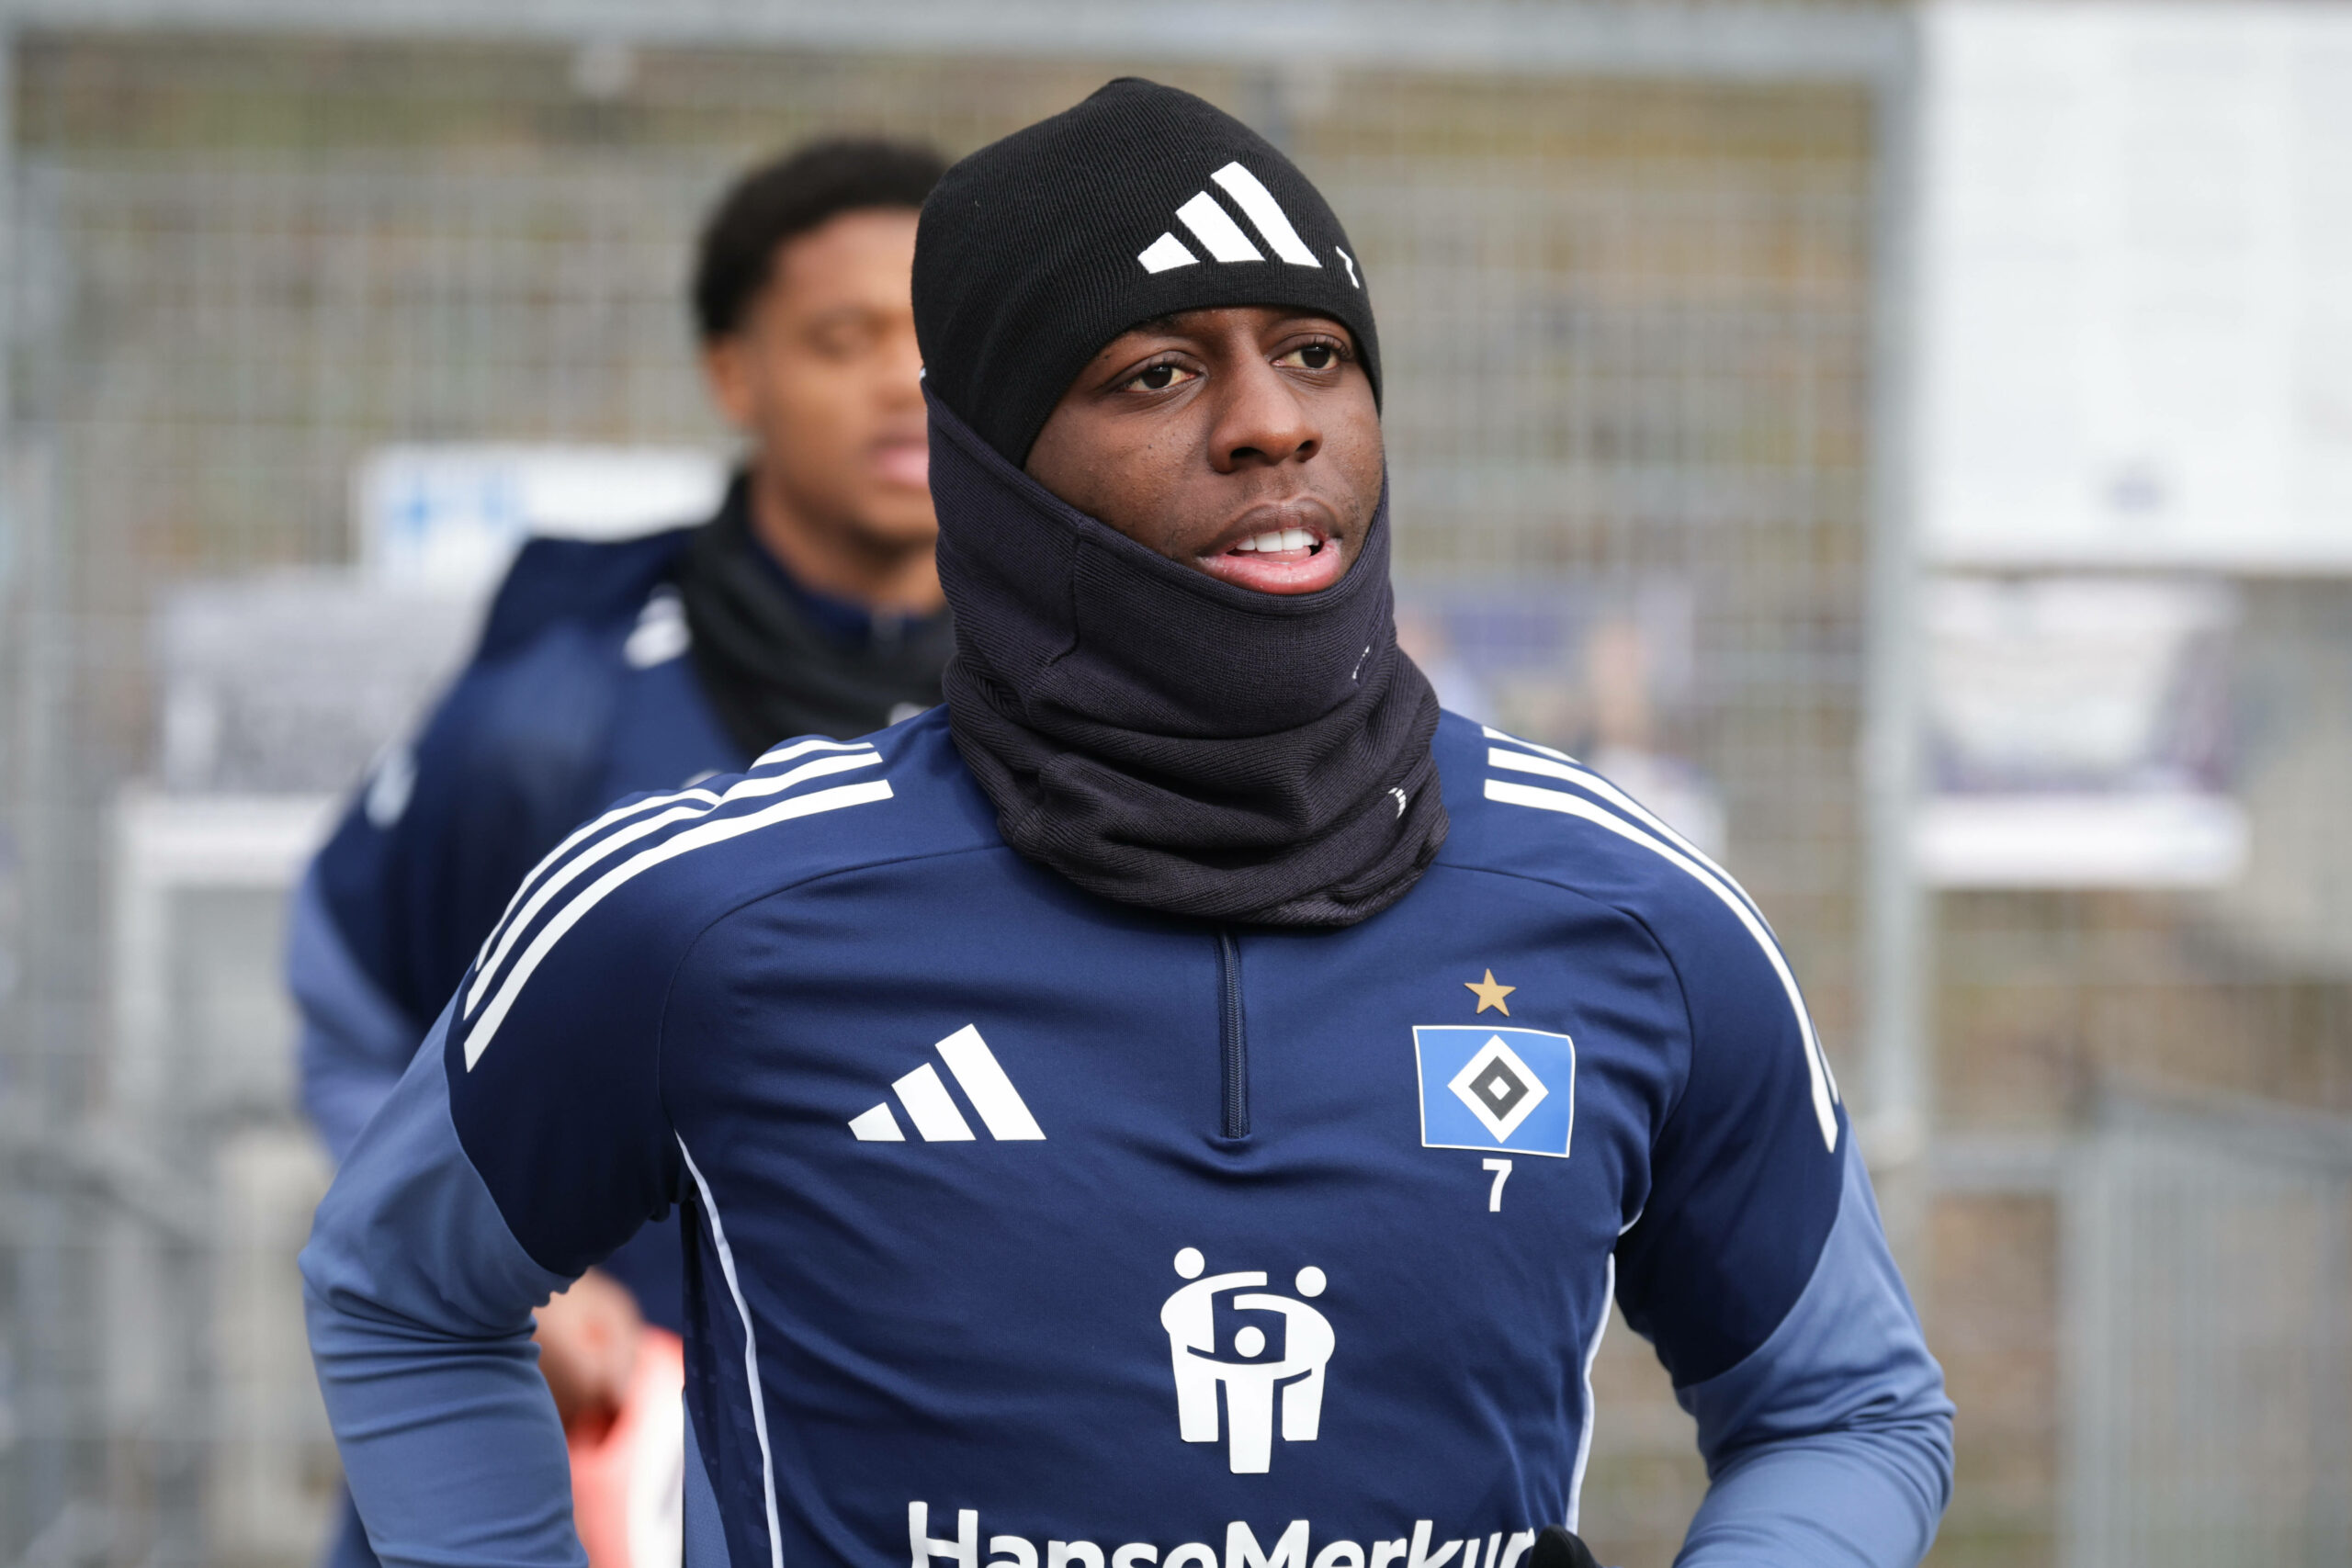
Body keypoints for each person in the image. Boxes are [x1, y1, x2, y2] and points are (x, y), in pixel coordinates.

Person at [302, 81, 1953, 1568]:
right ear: (998, 475)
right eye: (1157, 371)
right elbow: (402, 1295)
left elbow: (1848, 1414)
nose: (1271, 423)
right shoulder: (710, 908)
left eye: (1317, 355)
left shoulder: (1629, 917)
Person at [288, 137, 951, 1564]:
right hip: (589, 1479)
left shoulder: (1087, 704)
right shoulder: (556, 714)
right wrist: (517, 1284)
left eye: (941, 332)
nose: (906, 378)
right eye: (845, 338)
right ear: (735, 374)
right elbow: (360, 1020)